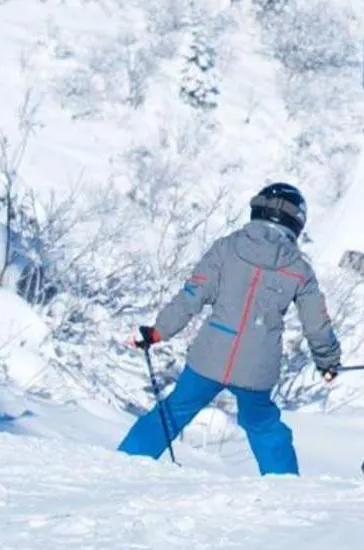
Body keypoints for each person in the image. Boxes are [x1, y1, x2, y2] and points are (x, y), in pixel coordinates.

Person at [119, 182, 341, 476]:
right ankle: (284, 485)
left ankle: (124, 464)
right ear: (296, 221)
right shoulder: (299, 269)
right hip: (257, 366)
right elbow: (316, 323)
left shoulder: (227, 247)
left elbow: (192, 295)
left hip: (210, 355)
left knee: (173, 412)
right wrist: (327, 362)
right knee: (263, 425)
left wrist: (158, 332)